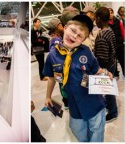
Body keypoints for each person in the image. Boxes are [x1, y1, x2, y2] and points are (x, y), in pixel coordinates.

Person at [43, 14, 112, 142]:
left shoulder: (85, 51)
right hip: (74, 105)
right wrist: (48, 96)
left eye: (80, 36)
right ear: (65, 27)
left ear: (83, 40)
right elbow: (52, 79)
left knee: (97, 133)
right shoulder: (52, 56)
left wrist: (106, 72)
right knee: (79, 133)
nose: (75, 36)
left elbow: (97, 70)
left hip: (94, 102)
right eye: (73, 31)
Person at [94, 7, 118, 122]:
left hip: (107, 67)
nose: (95, 21)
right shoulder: (109, 30)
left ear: (98, 19)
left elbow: (102, 58)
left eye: (95, 19)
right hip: (112, 63)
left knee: (108, 91)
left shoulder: (102, 36)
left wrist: (96, 65)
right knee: (109, 90)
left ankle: (113, 113)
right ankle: (110, 108)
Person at [107, 8, 125, 77]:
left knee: (122, 61)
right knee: (113, 63)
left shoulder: (118, 21)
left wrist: (123, 40)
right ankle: (115, 75)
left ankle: (124, 74)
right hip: (111, 46)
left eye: (111, 12)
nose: (110, 14)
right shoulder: (106, 23)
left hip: (120, 44)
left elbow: (122, 31)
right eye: (109, 13)